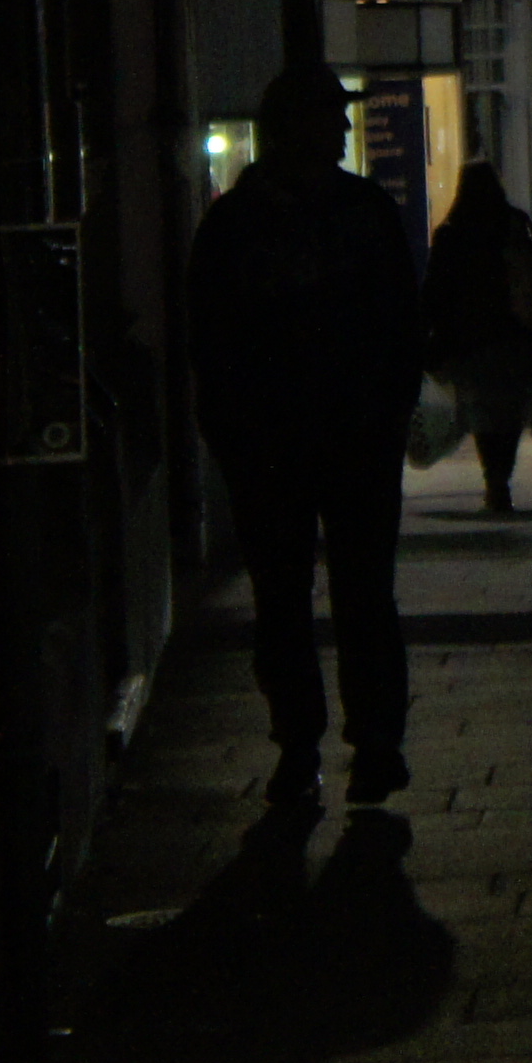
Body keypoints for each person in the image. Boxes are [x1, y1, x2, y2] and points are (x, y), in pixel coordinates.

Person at [189, 66, 423, 805]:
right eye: (332, 116)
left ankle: (336, 744)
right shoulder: (342, 214)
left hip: (319, 439)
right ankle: (334, 742)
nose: (346, 129)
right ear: (295, 127)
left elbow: (401, 326)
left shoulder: (248, 221)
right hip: (299, 441)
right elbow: (213, 339)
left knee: (317, 597)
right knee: (328, 597)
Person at [418, 159, 532, 513]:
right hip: (515, 333)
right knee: (510, 412)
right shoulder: (514, 223)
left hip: (471, 337)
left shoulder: (452, 232)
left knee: (484, 411)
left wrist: (428, 332)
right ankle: (501, 477)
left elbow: (435, 290)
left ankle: (494, 481)